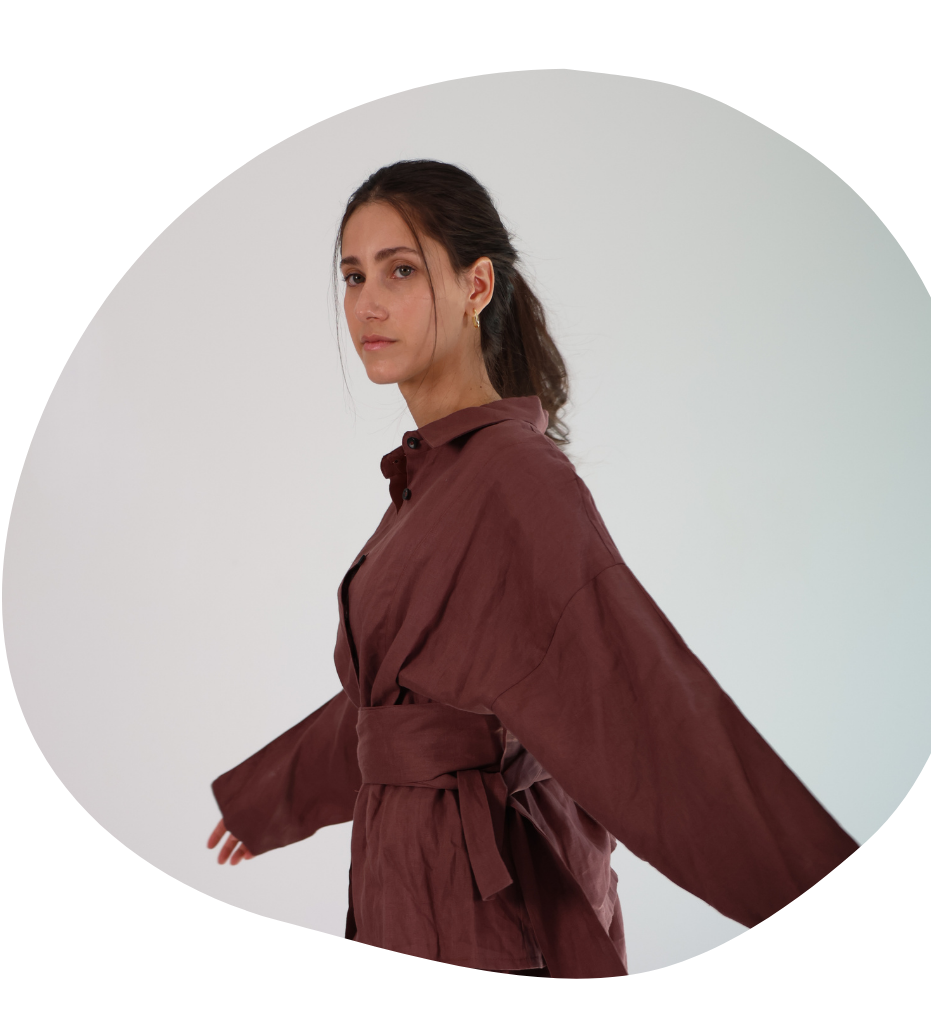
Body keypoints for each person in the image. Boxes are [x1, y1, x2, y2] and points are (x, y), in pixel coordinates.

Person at [206, 159, 858, 978]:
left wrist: (827, 901)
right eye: (353, 275)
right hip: (402, 879)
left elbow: (644, 706)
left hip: (482, 907)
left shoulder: (514, 476)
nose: (367, 303)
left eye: (401, 271)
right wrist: (272, 795)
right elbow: (410, 710)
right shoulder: (431, 479)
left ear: (476, 285)